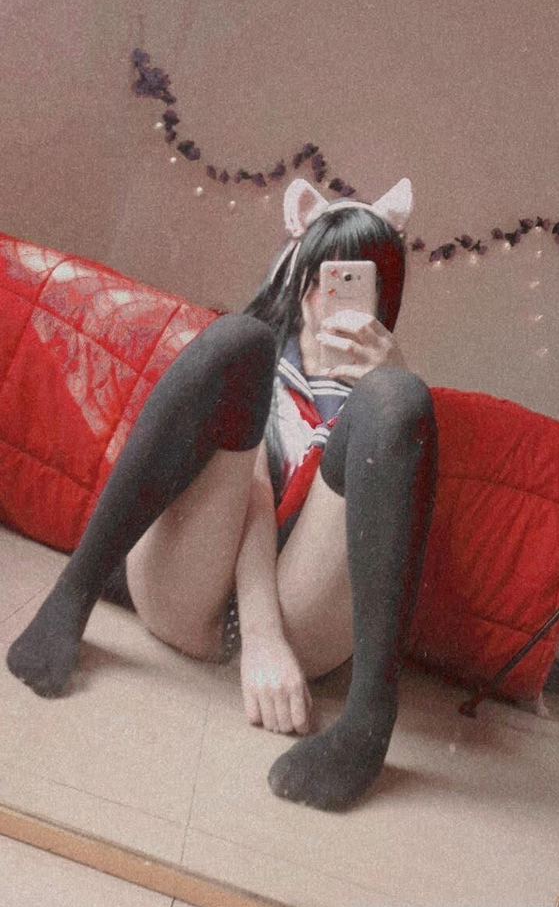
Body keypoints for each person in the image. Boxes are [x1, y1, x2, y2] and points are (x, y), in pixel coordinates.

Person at [7, 177, 438, 812]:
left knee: (399, 398)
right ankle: (71, 596)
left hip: (305, 616)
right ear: (299, 271)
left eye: (357, 279)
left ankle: (369, 723)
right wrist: (260, 637)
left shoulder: (379, 397)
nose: (329, 297)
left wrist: (393, 375)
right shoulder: (259, 362)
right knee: (239, 338)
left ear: (383, 292)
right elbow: (252, 492)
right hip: (191, 582)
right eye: (324, 275)